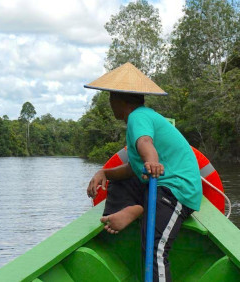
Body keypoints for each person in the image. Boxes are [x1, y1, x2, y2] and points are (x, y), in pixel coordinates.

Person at [84, 62, 202, 281]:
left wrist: (152, 161)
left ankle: (140, 208)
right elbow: (132, 169)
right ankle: (136, 208)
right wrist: (105, 173)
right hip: (157, 185)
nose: (110, 104)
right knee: (120, 181)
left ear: (119, 100)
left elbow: (145, 143)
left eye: (111, 98)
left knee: (156, 249)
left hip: (176, 189)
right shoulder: (140, 118)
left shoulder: (138, 117)